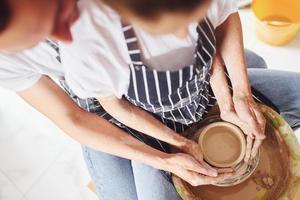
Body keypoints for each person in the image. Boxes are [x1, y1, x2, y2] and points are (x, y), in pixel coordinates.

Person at [0, 0, 299, 200]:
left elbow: (221, 16)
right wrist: (172, 151)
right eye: (43, 34)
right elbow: (88, 114)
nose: (66, 35)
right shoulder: (89, 51)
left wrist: (233, 92)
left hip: (195, 87)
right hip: (121, 114)